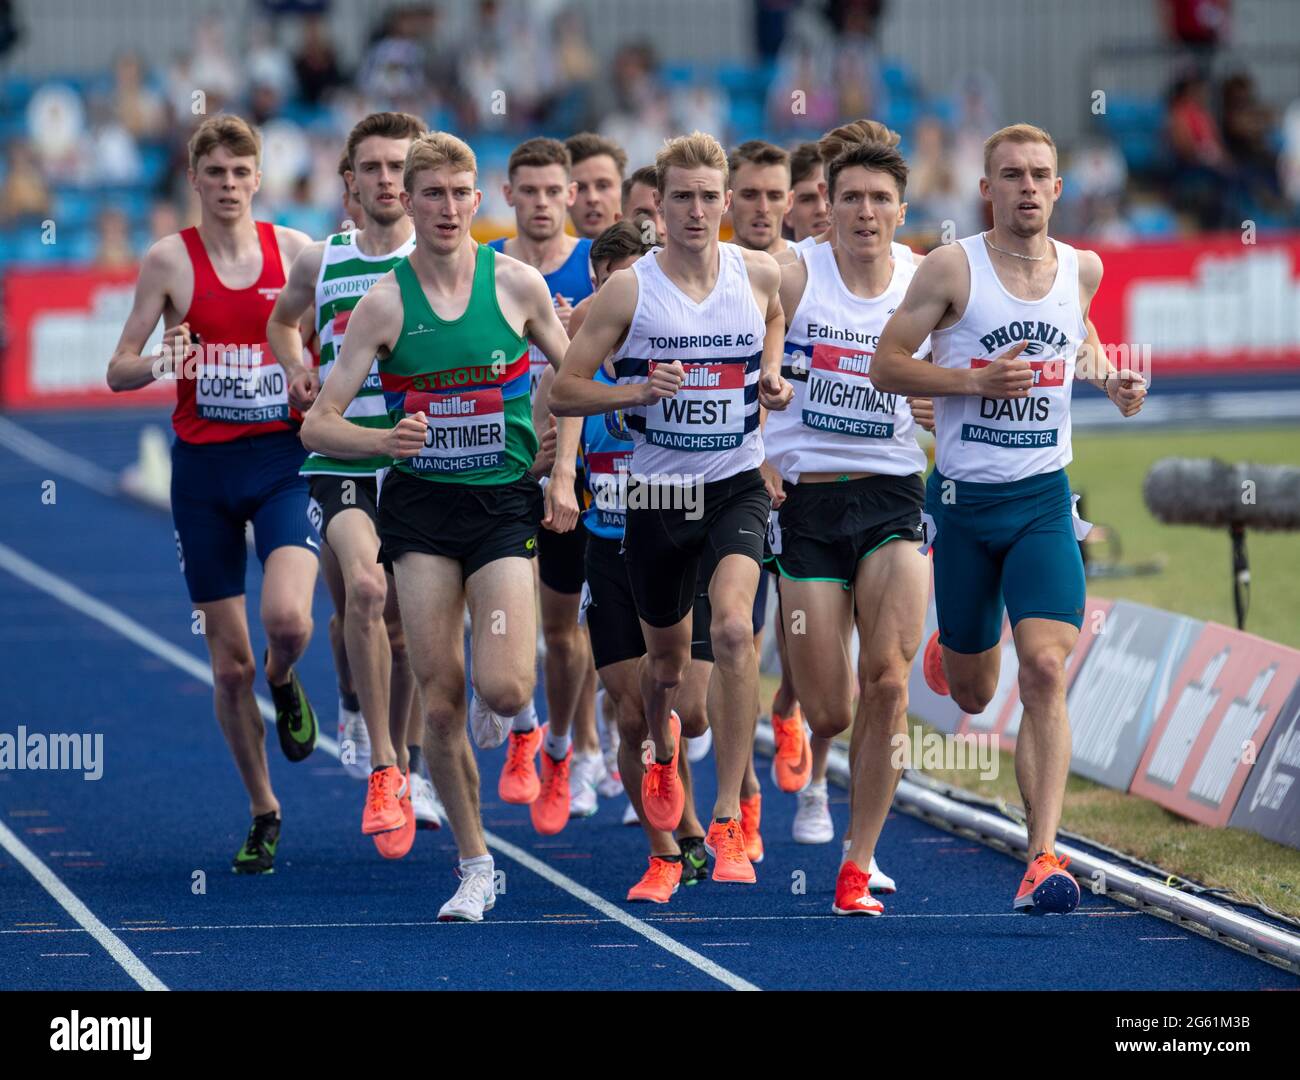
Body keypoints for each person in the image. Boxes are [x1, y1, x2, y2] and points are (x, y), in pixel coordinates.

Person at [302, 131, 579, 922]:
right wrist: (383, 442)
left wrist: (560, 471)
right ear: (408, 201)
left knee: (504, 683)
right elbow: (318, 426)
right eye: (433, 194)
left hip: (500, 509)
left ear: (477, 200)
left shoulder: (518, 285)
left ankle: (517, 715)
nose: (449, 208)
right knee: (442, 701)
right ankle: (476, 864)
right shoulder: (384, 302)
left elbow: (573, 378)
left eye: (462, 194)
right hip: (421, 515)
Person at [872, 123, 1147, 914]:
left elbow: (1078, 335)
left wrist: (1108, 379)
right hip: (961, 506)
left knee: (1047, 670)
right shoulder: (954, 268)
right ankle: (950, 652)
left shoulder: (1082, 268)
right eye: (1011, 175)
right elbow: (887, 363)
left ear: (1060, 189)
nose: (1028, 187)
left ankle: (1041, 857)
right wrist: (970, 382)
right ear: (985, 189)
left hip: (1040, 502)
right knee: (970, 690)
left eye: (1041, 175)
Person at [550, 131, 794, 884]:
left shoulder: (757, 273)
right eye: (678, 197)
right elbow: (564, 388)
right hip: (655, 497)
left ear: (727, 203)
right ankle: (658, 759)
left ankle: (723, 815)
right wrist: (634, 392)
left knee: (730, 630)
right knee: (660, 678)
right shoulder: (631, 290)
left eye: (706, 197)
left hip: (733, 487)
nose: (694, 210)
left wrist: (772, 377)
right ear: (660, 208)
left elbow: (776, 315)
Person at [107, 114, 318, 875]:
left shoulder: (293, 253)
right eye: (216, 174)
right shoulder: (169, 260)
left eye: (241, 173)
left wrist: (311, 378)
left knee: (287, 621)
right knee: (227, 668)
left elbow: (331, 347)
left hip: (281, 461)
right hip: (202, 475)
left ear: (258, 178)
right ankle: (265, 808)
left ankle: (287, 679)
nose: (229, 186)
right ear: (194, 180)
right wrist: (165, 356)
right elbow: (118, 369)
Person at [267, 112, 444, 858]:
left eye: (399, 167)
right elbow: (281, 324)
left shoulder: (443, 260)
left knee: (397, 626)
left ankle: (399, 759)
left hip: (416, 463)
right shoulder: (322, 258)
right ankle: (379, 755)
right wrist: (296, 367)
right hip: (340, 457)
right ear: (349, 182)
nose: (386, 180)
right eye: (371, 168)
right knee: (362, 600)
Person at [767, 139, 934, 913]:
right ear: (825, 206)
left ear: (901, 210)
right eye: (851, 198)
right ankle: (798, 720)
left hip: (894, 497)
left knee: (890, 682)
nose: (865, 212)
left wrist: (946, 401)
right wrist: (756, 455)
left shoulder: (925, 281)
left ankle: (857, 862)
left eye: (879, 199)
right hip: (806, 504)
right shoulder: (796, 276)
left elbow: (973, 372)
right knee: (832, 708)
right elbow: (730, 361)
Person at [540, 221, 713, 899]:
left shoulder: (682, 357)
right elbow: (550, 422)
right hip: (609, 550)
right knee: (629, 710)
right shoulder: (577, 366)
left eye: (635, 277)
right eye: (610, 278)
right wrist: (554, 471)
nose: (625, 292)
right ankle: (668, 847)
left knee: (686, 709)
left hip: (677, 542)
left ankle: (673, 775)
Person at [488, 137, 602, 831]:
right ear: (508, 196)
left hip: (575, 468)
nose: (539, 203)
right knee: (497, 613)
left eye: (551, 192)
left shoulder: (598, 270)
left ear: (571, 197)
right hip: (498, 465)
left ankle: (560, 746)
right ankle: (522, 722)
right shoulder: (486, 268)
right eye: (526, 191)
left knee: (564, 630)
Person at [725, 138, 805, 864]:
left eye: (773, 195)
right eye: (746, 194)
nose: (760, 208)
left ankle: (790, 713)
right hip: (739, 489)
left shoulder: (812, 274)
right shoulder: (715, 275)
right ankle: (744, 799)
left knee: (815, 658)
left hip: (811, 485)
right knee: (741, 644)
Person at [565, 131, 627, 239]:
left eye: (603, 186)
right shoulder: (543, 255)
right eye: (580, 188)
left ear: (623, 192)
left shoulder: (652, 254)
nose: (592, 198)